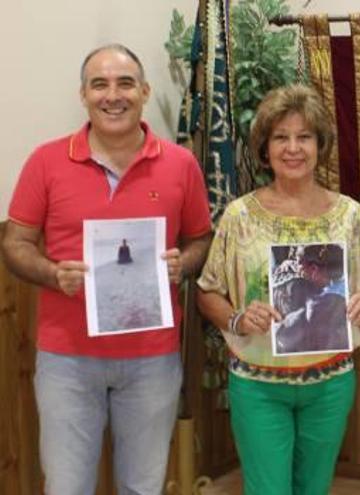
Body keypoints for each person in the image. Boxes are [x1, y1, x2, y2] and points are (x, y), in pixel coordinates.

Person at [1, 44, 213, 494]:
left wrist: (185, 263)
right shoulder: (46, 161)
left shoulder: (181, 164)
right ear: (84, 94)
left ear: (144, 90)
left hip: (152, 357)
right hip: (67, 360)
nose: (112, 95)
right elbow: (15, 244)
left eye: (124, 83)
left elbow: (201, 239)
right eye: (99, 84)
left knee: (142, 486)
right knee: (66, 487)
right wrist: (52, 273)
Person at [196, 84, 360, 495]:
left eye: (304, 137)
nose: (293, 148)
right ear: (265, 147)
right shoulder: (239, 215)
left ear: (320, 145)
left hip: (330, 383)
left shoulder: (349, 215)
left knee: (314, 488)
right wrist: (238, 318)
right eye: (281, 137)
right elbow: (208, 291)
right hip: (259, 384)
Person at [274, 244, 349, 354]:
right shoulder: (343, 285)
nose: (295, 267)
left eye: (299, 263)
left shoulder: (318, 307)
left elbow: (282, 335)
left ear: (314, 269)